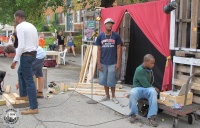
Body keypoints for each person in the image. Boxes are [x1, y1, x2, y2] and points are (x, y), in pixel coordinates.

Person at [11, 10, 38, 115]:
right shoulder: (32, 26)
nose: (15, 20)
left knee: (29, 81)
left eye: (15, 18)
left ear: (17, 17)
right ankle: (24, 94)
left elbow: (21, 46)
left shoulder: (20, 27)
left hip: (26, 55)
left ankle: (33, 108)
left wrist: (14, 61)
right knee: (20, 72)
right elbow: (36, 43)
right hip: (32, 54)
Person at [96, 18, 122, 104]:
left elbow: (119, 49)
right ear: (105, 25)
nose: (110, 25)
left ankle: (113, 96)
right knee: (104, 80)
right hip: (103, 62)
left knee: (112, 80)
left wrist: (118, 63)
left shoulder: (116, 36)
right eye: (108, 24)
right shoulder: (100, 36)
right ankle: (107, 95)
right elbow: (99, 50)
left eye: (111, 24)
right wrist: (98, 63)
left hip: (112, 62)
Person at [129, 54, 159, 127]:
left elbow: (147, 85)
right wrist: (154, 87)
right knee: (132, 92)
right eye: (152, 63)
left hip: (146, 88)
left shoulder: (149, 70)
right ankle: (133, 114)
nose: (153, 65)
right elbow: (145, 84)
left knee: (153, 92)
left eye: (153, 63)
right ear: (146, 62)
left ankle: (151, 117)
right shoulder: (139, 69)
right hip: (138, 88)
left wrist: (153, 89)